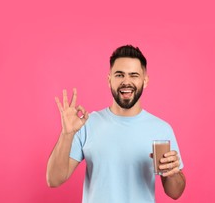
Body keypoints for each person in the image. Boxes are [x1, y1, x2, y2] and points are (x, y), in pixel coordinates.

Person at [46, 45, 186, 203]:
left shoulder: (161, 129)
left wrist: (173, 173)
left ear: (145, 81)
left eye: (134, 75)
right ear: (109, 80)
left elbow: (175, 193)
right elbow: (54, 179)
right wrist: (66, 134)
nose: (126, 81)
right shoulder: (86, 123)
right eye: (119, 75)